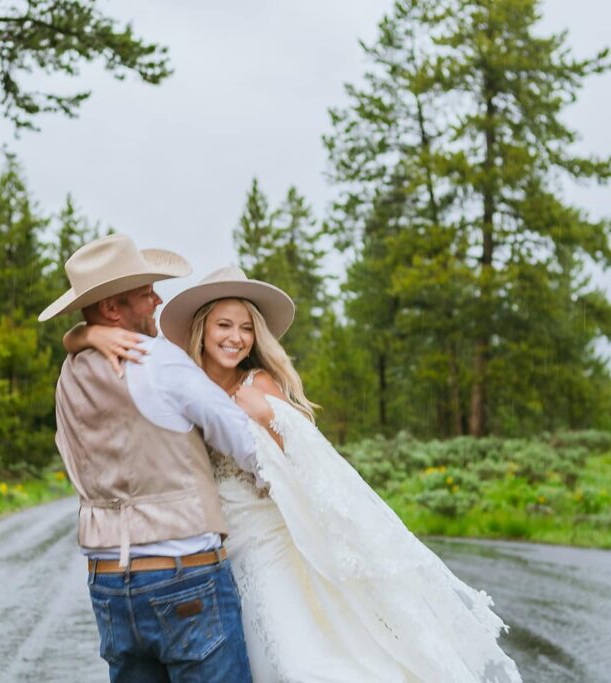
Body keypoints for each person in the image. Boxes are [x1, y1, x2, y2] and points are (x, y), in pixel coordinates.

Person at [65, 265, 523, 683]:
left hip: (264, 543)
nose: (236, 338)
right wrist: (86, 336)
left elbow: (304, 471)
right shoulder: (179, 373)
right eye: (224, 326)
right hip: (216, 556)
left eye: (246, 329)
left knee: (292, 659)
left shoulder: (259, 390)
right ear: (202, 330)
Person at [38, 236, 257, 682]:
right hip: (184, 577)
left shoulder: (68, 374)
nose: (157, 299)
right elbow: (246, 444)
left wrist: (81, 332)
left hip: (108, 585)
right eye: (145, 294)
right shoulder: (157, 360)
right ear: (114, 311)